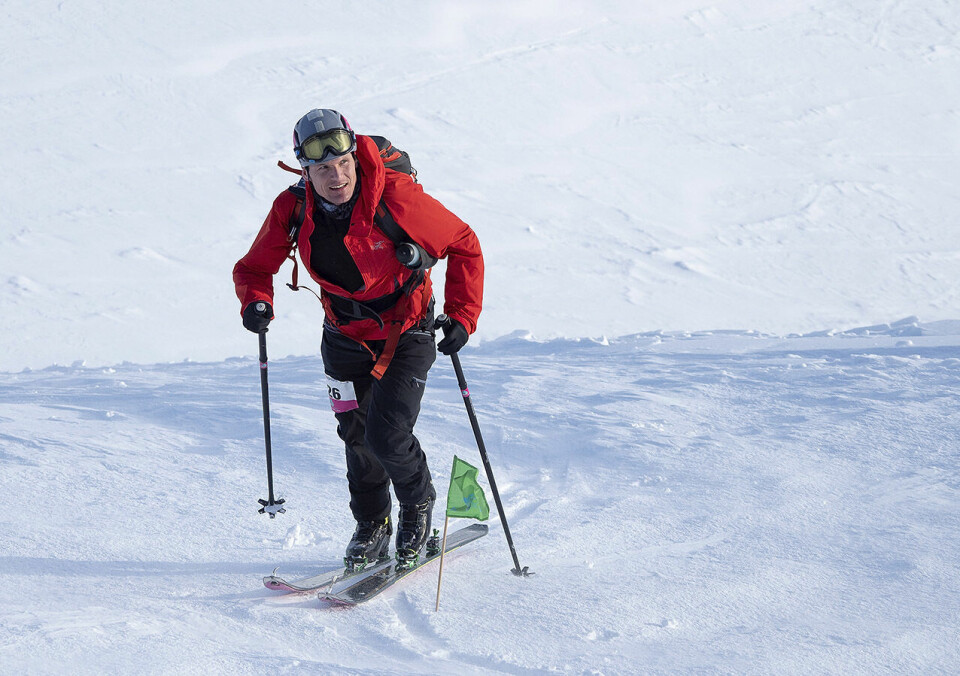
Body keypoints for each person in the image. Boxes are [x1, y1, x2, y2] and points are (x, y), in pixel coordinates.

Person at [233, 109, 483, 571]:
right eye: (322, 168)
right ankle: (373, 523)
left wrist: (463, 315)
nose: (336, 175)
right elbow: (253, 268)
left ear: (353, 155)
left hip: (406, 332)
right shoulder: (294, 207)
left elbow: (463, 242)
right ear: (304, 169)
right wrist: (256, 301)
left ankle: (418, 506)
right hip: (343, 337)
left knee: (387, 436)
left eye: (343, 163)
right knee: (355, 437)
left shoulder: (395, 198)